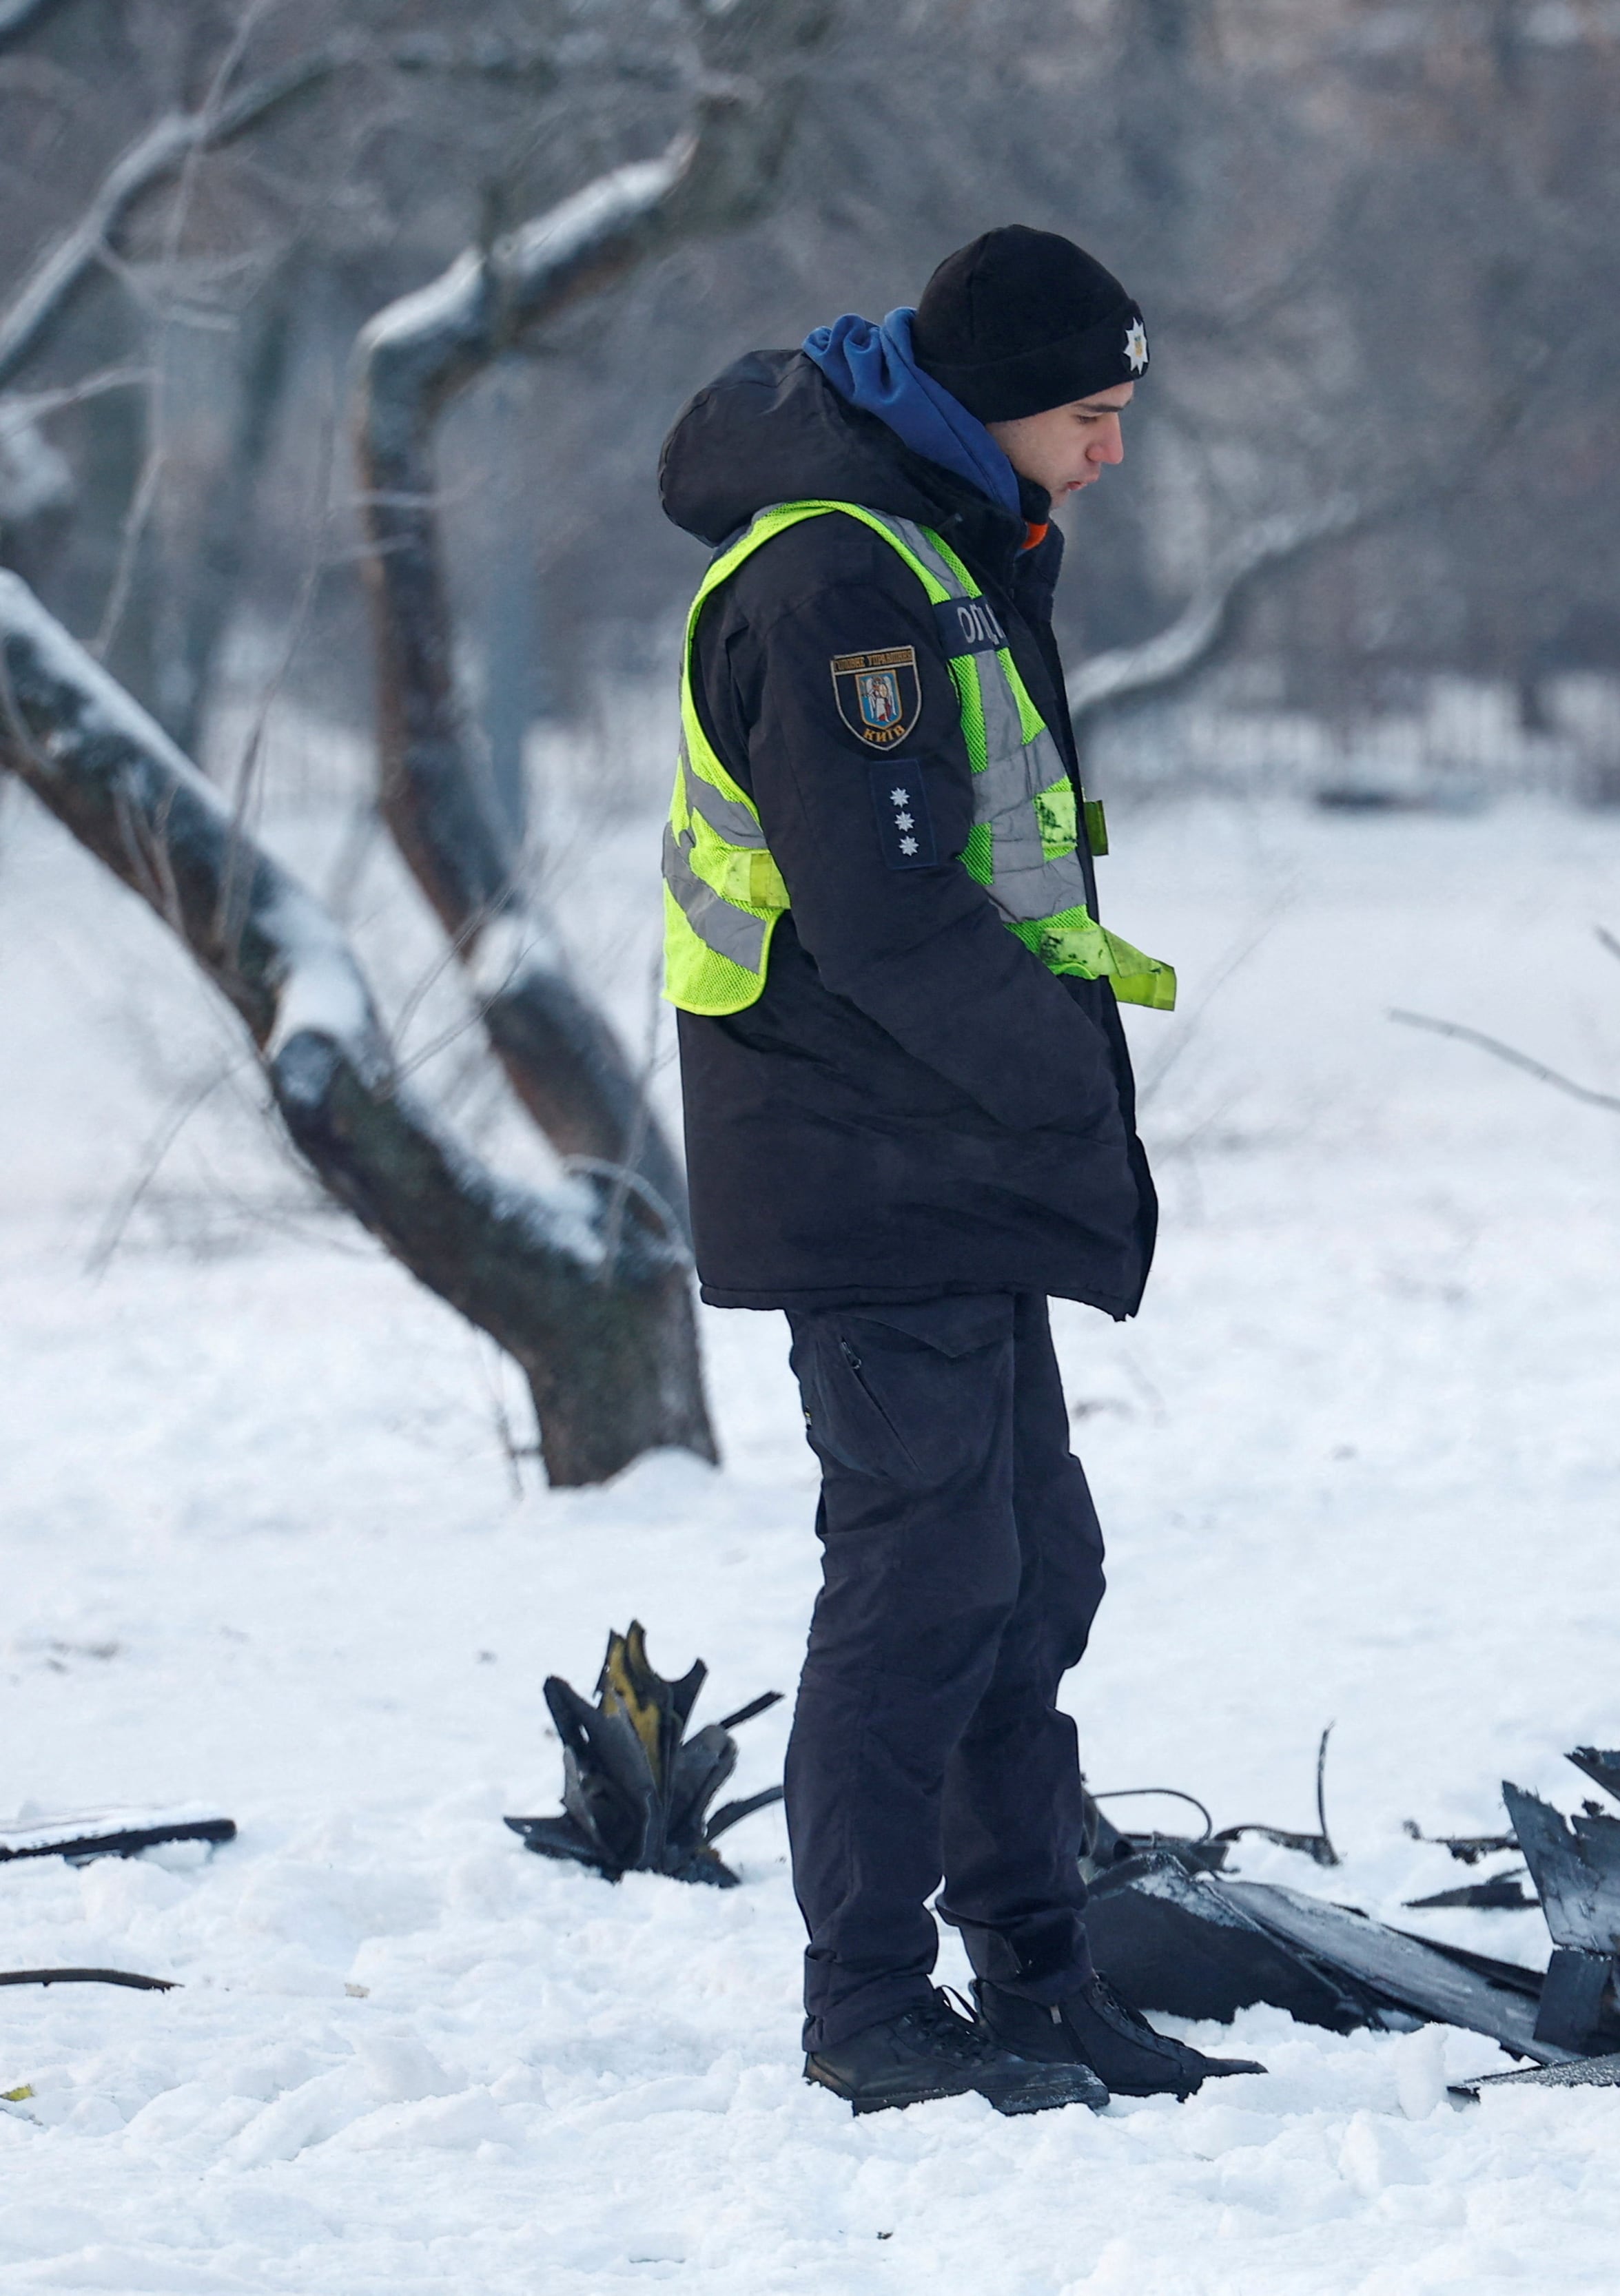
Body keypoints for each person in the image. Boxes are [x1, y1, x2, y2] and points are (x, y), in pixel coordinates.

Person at [657, 225, 1255, 2116]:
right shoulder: (845, 580)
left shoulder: (940, 539)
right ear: (996, 403)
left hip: (949, 1153)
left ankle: (1040, 1973)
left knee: (1029, 1562)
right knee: (926, 1575)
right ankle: (868, 2005)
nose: (1115, 449)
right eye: (1093, 414)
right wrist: (1073, 1100)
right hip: (860, 1155)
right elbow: (893, 916)